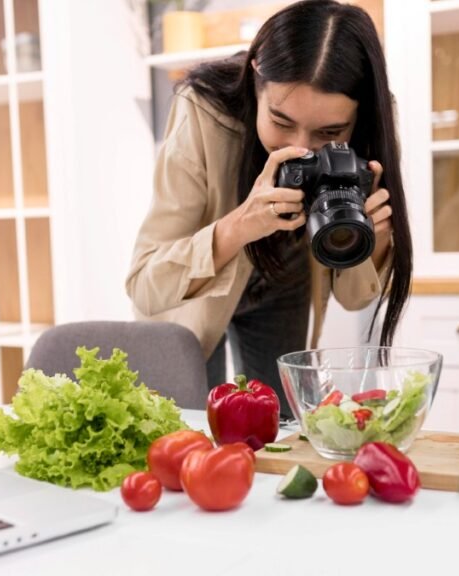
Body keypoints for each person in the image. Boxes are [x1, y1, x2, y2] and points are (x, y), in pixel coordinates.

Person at [126, 0, 412, 417]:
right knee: (185, 427)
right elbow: (144, 284)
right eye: (281, 121)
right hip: (199, 277)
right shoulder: (204, 109)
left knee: (280, 422)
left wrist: (372, 240)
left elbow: (354, 301)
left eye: (330, 132)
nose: (300, 146)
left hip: (288, 271)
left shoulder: (374, 127)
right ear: (256, 75)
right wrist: (240, 226)